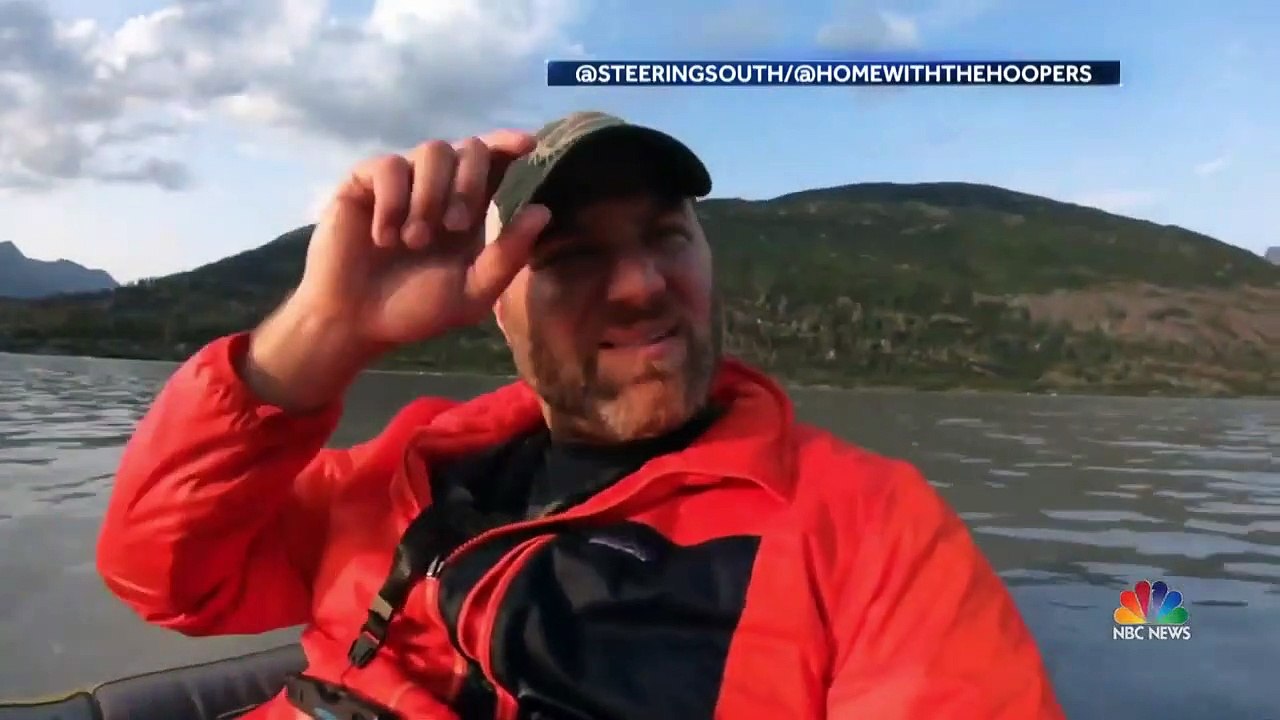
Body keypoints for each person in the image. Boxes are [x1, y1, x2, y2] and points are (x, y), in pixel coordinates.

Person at [96, 110, 1064, 720]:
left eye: (664, 237)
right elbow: (166, 580)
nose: (641, 286)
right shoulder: (416, 462)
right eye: (567, 260)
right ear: (494, 308)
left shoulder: (865, 530)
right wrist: (323, 330)